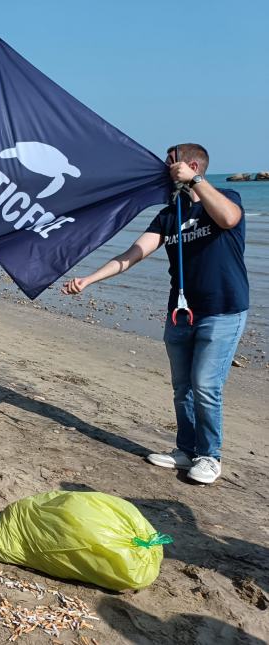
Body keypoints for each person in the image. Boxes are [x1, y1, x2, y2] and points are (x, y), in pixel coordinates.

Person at [62, 143, 248, 485]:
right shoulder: (169, 213)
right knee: (183, 387)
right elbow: (134, 253)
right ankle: (186, 450)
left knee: (206, 385)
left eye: (169, 165)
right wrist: (88, 279)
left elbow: (228, 218)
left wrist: (195, 182)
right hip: (181, 314)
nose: (164, 171)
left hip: (222, 311)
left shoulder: (226, 196)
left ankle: (210, 456)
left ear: (191, 165)